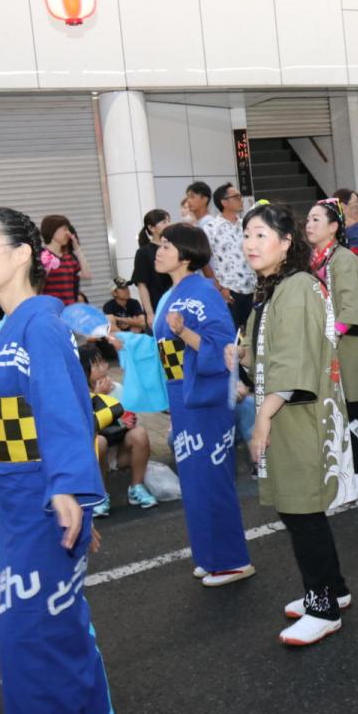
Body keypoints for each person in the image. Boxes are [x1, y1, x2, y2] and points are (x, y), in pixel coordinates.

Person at [0, 207, 118, 714]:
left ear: (20, 256)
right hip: (19, 510)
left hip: (40, 506)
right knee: (46, 644)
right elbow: (2, 419)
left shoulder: (41, 322)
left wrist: (68, 490)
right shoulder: (8, 327)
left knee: (34, 649)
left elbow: (63, 408)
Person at [238, 202, 354, 646]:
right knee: (299, 509)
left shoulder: (297, 286)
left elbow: (294, 359)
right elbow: (271, 349)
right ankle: (334, 589)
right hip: (287, 409)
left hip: (296, 414)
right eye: (247, 234)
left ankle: (322, 605)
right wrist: (244, 354)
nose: (251, 243)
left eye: (261, 235)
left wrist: (262, 419)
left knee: (302, 510)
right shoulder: (274, 288)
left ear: (287, 244)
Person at [153, 223, 254, 587]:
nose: (159, 251)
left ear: (186, 253)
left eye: (166, 245)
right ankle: (209, 554)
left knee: (211, 479)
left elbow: (223, 348)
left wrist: (183, 332)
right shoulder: (176, 292)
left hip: (204, 397)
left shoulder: (202, 291)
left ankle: (231, 560)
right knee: (195, 480)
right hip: (183, 396)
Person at [306, 199, 358, 500]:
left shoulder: (342, 259)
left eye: (316, 220)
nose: (309, 225)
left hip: (344, 348)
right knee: (333, 412)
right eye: (308, 220)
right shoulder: (313, 260)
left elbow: (351, 310)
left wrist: (329, 334)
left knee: (353, 409)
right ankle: (342, 470)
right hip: (323, 349)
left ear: (334, 227)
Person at [78, 342, 157, 513]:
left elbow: (126, 416)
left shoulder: (117, 388)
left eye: (103, 362)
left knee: (139, 433)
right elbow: (84, 430)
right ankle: (100, 495)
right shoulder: (80, 394)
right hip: (96, 456)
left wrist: (129, 423)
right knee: (98, 442)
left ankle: (136, 487)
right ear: (84, 370)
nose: (103, 367)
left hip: (119, 452)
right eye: (96, 365)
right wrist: (100, 397)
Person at [201, 182, 257, 329]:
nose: (240, 199)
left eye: (240, 196)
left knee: (251, 335)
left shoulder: (246, 226)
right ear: (224, 202)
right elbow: (203, 260)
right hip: (230, 292)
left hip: (252, 289)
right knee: (233, 337)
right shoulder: (211, 228)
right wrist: (218, 286)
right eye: (236, 196)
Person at [39, 214, 91, 305]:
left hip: (68, 312)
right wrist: (47, 267)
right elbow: (36, 287)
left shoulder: (68, 258)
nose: (68, 233)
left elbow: (87, 274)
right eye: (65, 229)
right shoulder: (41, 256)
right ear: (52, 231)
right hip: (51, 312)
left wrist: (77, 249)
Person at [131, 209, 172, 321]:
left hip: (177, 306)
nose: (169, 225)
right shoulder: (144, 252)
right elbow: (142, 286)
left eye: (169, 221)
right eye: (164, 222)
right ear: (151, 228)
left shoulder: (174, 248)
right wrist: (149, 314)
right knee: (164, 339)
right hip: (158, 308)